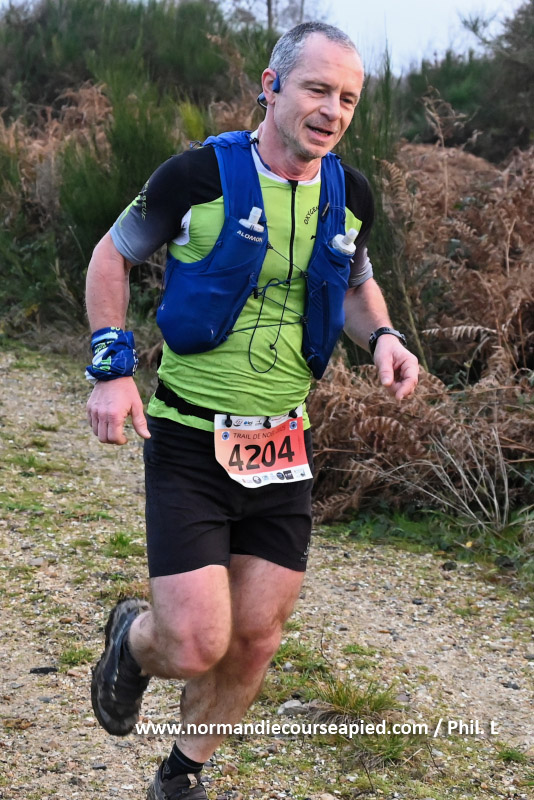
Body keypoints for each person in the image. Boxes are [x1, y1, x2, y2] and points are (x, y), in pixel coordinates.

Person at [85, 21, 419, 800]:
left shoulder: (350, 194)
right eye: (317, 89)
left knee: (257, 636)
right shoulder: (197, 175)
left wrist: (384, 337)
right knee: (194, 642)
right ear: (270, 87)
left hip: (282, 446)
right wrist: (112, 369)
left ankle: (181, 775)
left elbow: (355, 284)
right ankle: (132, 643)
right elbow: (112, 254)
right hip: (190, 439)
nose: (332, 110)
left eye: (348, 98)